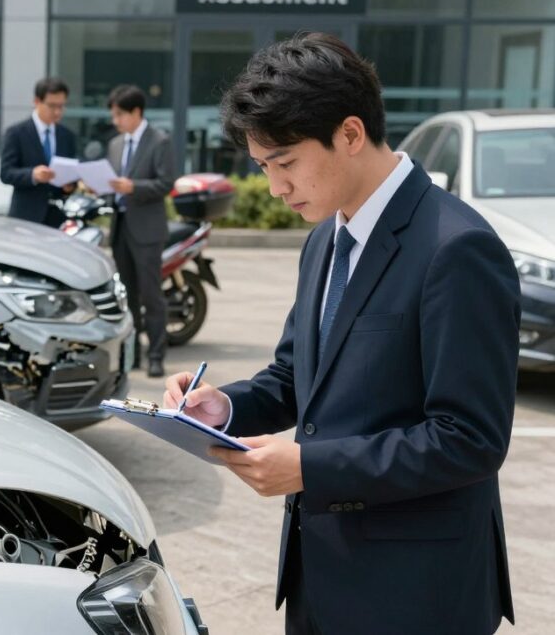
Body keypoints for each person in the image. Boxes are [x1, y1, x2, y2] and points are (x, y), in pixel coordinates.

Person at [163, 33, 519, 635]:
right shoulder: (325, 239)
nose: (276, 187)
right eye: (263, 168)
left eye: (285, 163)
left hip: (417, 594)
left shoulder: (457, 249)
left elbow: (470, 439)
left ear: (350, 134)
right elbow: (296, 376)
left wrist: (311, 468)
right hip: (321, 578)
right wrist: (221, 406)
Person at [107, 84, 174, 378]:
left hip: (147, 229)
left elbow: (166, 183)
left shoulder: (159, 141)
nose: (116, 121)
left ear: (136, 112)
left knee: (151, 296)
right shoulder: (115, 145)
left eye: (120, 115)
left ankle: (157, 355)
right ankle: (132, 356)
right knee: (128, 296)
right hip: (120, 226)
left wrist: (134, 187)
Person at [0, 77, 77, 226]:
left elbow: (71, 171)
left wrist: (69, 186)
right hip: (26, 216)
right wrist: (33, 175)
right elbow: (6, 173)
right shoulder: (16, 133)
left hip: (57, 218)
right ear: (37, 102)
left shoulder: (67, 135)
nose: (57, 112)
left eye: (61, 106)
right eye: (52, 106)